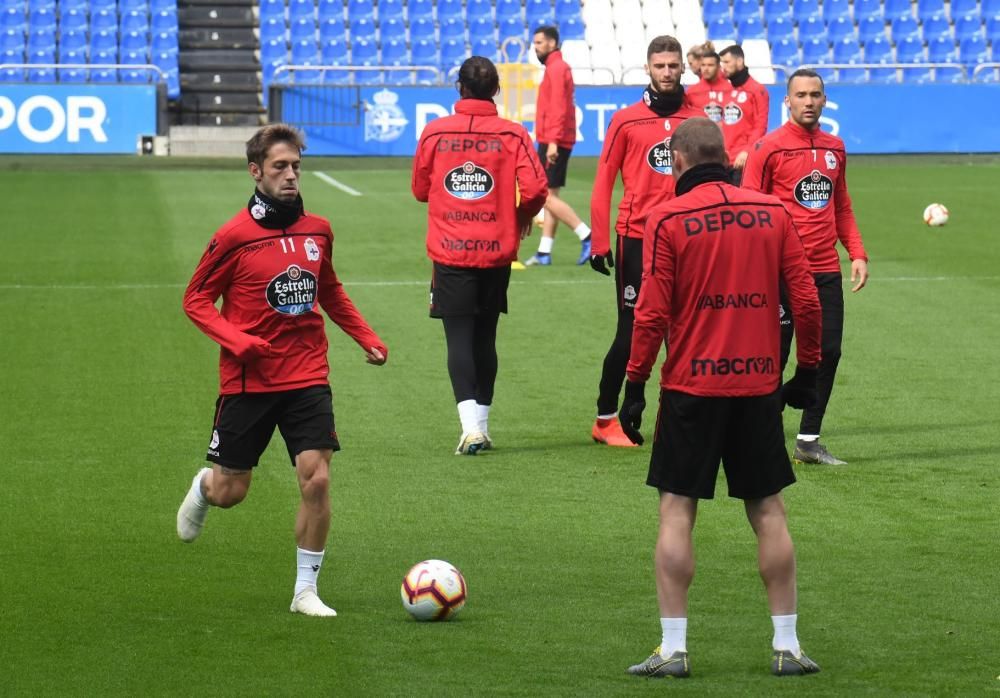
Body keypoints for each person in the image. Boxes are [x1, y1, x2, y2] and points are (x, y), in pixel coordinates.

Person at [619, 118, 824, 678]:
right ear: (727, 159)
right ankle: (787, 646)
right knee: (768, 512)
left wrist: (633, 383)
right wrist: (806, 369)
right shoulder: (774, 212)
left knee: (677, 511)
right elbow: (805, 299)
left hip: (691, 388)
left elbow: (652, 312)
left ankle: (673, 649)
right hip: (758, 385)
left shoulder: (666, 218)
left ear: (678, 162)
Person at [175, 124, 389, 617]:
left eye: (295, 166)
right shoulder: (232, 237)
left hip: (308, 375)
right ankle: (204, 488)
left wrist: (366, 335)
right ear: (256, 172)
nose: (291, 175)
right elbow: (196, 300)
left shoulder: (319, 229)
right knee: (233, 490)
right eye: (280, 167)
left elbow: (329, 290)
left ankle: (304, 591)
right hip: (248, 380)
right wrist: (238, 340)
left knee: (316, 479)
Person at [411, 56, 548, 454]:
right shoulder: (513, 133)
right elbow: (537, 188)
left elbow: (421, 189)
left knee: (458, 338)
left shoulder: (435, 132)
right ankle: (482, 427)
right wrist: (520, 214)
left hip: (450, 251)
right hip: (496, 250)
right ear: (496, 91)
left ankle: (470, 428)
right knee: (486, 337)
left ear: (460, 88)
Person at [742, 68, 869, 465]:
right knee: (773, 358)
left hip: (825, 269)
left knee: (828, 352)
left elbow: (841, 205)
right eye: (801, 95)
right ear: (788, 101)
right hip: (779, 272)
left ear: (825, 100)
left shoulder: (836, 147)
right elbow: (748, 209)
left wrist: (857, 252)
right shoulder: (769, 148)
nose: (809, 101)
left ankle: (808, 441)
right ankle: (760, 438)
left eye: (816, 94)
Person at [587, 35, 699, 447]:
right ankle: (605, 419)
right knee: (632, 329)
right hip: (637, 238)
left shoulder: (700, 119)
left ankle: (680, 417)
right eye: (660, 66)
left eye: (673, 65)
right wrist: (600, 241)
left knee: (687, 330)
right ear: (648, 68)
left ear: (683, 67)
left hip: (690, 237)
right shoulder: (626, 120)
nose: (667, 72)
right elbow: (603, 182)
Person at [521, 25, 592, 267]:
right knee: (551, 195)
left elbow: (559, 108)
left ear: (552, 43)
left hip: (555, 139)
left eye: (539, 43)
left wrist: (552, 142)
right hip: (554, 137)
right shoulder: (556, 67)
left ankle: (587, 235)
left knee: (545, 196)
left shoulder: (557, 68)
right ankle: (544, 251)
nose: (536, 47)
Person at [718, 44, 770, 182]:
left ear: (739, 61)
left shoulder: (757, 90)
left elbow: (761, 126)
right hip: (723, 161)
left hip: (741, 161)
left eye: (727, 62)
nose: (723, 67)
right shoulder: (726, 89)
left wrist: (747, 151)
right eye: (722, 63)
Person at [684, 44, 730, 119]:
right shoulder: (692, 92)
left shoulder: (730, 89)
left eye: (691, 63)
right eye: (703, 65)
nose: (690, 66)